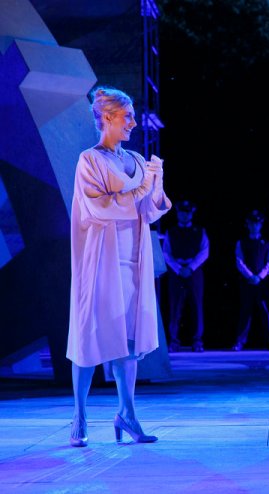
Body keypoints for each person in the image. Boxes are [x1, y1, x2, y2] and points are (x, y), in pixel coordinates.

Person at [67, 87, 171, 447]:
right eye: (127, 115)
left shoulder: (137, 159)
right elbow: (99, 208)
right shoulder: (89, 160)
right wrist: (141, 188)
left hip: (133, 260)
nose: (134, 121)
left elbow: (149, 210)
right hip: (100, 260)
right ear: (107, 117)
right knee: (89, 333)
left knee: (129, 342)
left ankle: (127, 414)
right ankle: (79, 416)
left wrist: (155, 186)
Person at [163, 200, 209, 352]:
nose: (184, 214)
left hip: (194, 273)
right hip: (176, 274)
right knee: (175, 308)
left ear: (191, 213)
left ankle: (197, 341)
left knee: (197, 306)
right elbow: (166, 253)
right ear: (178, 213)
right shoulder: (171, 232)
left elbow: (204, 251)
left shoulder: (199, 231)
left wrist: (190, 267)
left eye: (187, 212)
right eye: (182, 212)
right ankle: (174, 341)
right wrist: (178, 268)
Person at [232, 209, 269, 351]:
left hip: (262, 283)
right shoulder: (242, 242)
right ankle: (240, 342)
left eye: (257, 223)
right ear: (248, 224)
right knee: (245, 312)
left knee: (265, 311)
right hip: (248, 282)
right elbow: (239, 261)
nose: (255, 226)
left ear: (261, 225)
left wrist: (260, 276)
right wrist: (250, 276)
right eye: (252, 223)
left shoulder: (268, 242)